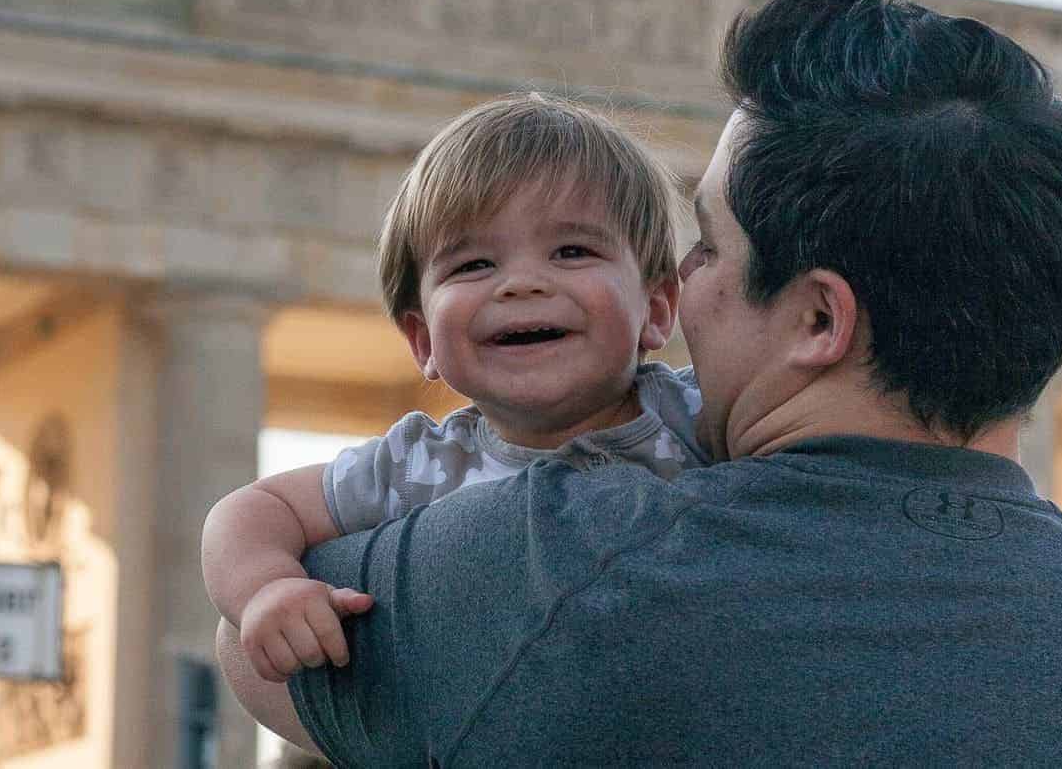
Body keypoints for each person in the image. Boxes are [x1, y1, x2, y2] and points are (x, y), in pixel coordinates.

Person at [216, 0, 1062, 768]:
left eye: (708, 249)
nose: (682, 289)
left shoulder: (546, 567)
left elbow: (247, 648)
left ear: (817, 320)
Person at [203, 94, 707, 683]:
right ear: (422, 339)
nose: (520, 283)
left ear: (657, 306)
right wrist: (268, 589)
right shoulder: (419, 464)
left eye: (572, 251)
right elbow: (252, 511)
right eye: (473, 266)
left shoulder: (700, 417)